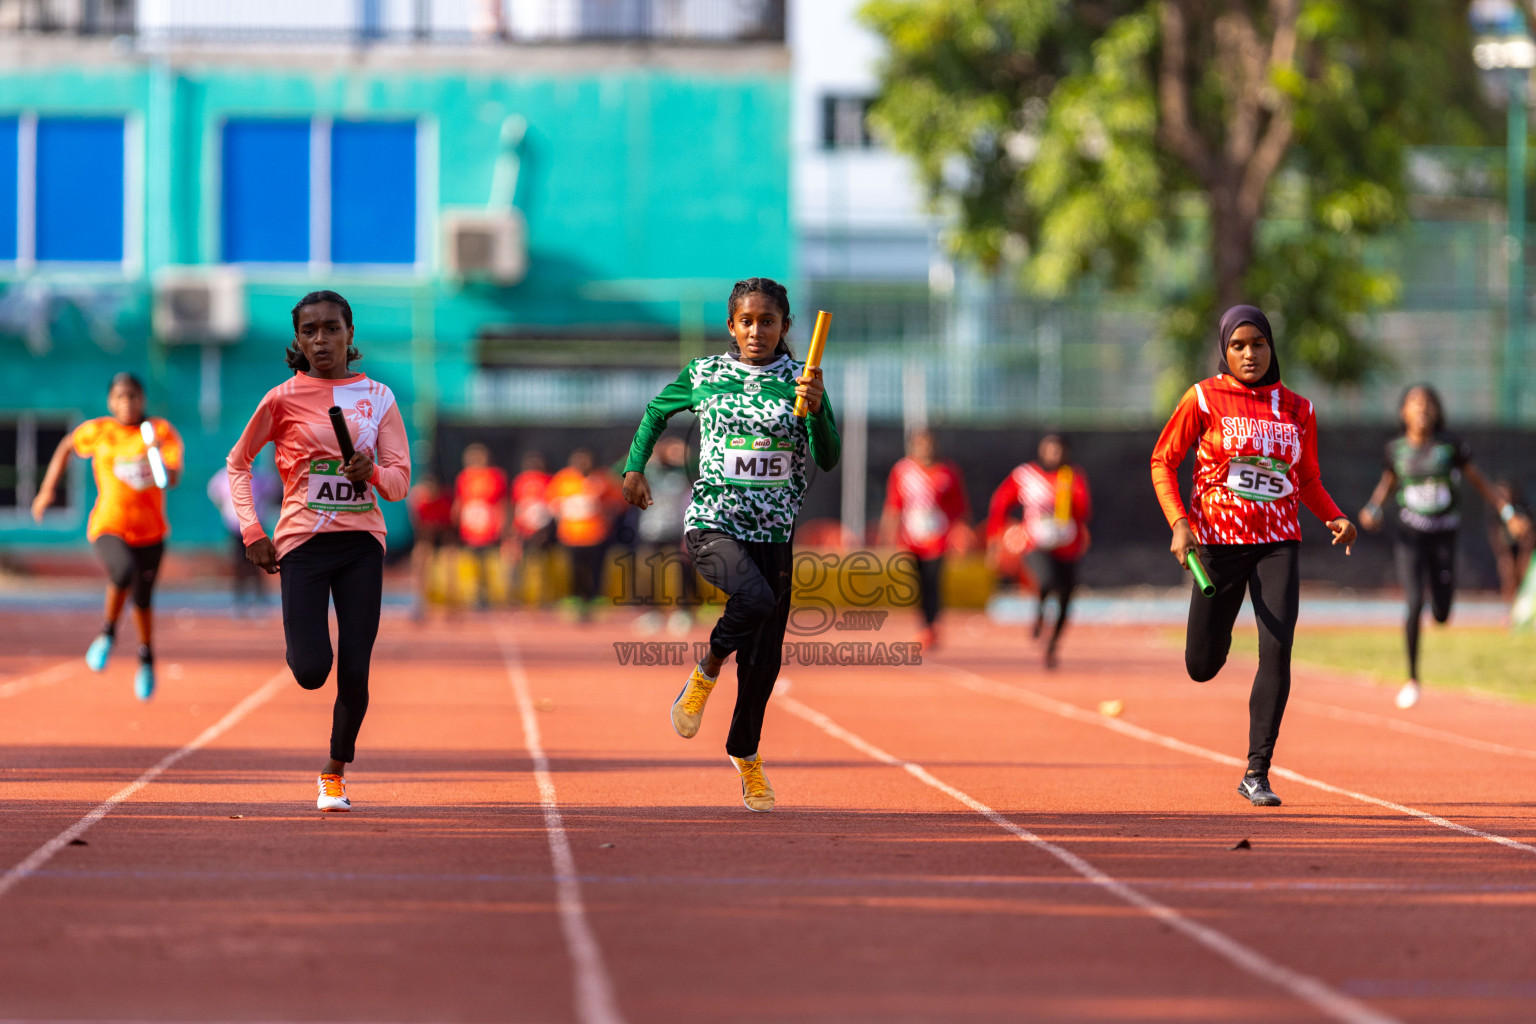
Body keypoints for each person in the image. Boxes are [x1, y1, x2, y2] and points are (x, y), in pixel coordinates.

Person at [622, 277, 839, 812]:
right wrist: (634, 468)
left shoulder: (802, 379)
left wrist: (816, 412)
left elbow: (829, 457)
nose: (756, 330)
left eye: (768, 321)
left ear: (786, 327)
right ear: (731, 326)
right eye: (747, 321)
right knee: (756, 600)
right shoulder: (705, 375)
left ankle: (746, 756)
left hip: (774, 534)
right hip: (714, 522)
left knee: (764, 663)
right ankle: (705, 672)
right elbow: (654, 412)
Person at [1151, 304, 1357, 808]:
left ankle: (1256, 770)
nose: (1249, 354)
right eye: (1238, 346)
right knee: (1202, 664)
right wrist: (1181, 523)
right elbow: (1163, 460)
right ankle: (1212, 648)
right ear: (1224, 349)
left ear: (1272, 347)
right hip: (1218, 543)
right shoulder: (1203, 398)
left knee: (1277, 648)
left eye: (1258, 344)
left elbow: (1305, 477)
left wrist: (1333, 515)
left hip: (1278, 542)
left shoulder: (1298, 408)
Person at [227, 290, 411, 813]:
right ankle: (312, 673)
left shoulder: (378, 397)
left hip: (361, 544)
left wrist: (369, 472)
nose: (321, 340)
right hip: (301, 543)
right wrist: (252, 533)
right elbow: (237, 464)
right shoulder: (281, 398)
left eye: (331, 329)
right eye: (310, 331)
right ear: (297, 339)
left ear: (350, 335)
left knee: (356, 666)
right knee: (311, 670)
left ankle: (334, 771)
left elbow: (399, 483)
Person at [1358, 385, 1531, 709]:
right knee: (1412, 603)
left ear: (1436, 411)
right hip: (1410, 536)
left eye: (1428, 403)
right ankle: (1412, 679)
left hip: (1443, 536)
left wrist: (1508, 513)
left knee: (1440, 612)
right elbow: (1388, 482)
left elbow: (1481, 482)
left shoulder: (1450, 447)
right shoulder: (1395, 449)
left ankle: (1439, 610)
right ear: (1403, 413)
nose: (1422, 408)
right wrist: (1373, 507)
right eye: (1415, 403)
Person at [31, 372, 183, 700]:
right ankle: (107, 634)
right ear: (110, 401)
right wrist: (46, 490)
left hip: (151, 531)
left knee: (143, 600)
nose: (127, 403)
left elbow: (171, 478)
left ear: (143, 399)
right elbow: (66, 446)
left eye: (133, 396)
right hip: (108, 525)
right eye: (120, 397)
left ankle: (145, 658)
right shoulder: (100, 431)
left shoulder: (159, 431)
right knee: (122, 572)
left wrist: (155, 457)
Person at [986, 432, 1091, 668]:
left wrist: (1067, 498)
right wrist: (995, 536)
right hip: (1036, 543)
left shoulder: (1072, 477)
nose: (1054, 454)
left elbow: (1084, 510)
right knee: (1045, 582)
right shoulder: (1025, 475)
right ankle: (1040, 613)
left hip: (1067, 545)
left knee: (1066, 597)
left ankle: (1052, 644)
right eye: (1049, 449)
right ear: (1041, 450)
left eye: (1058, 449)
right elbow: (1001, 501)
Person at [878, 429, 968, 650]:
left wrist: (962, 533)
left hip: (938, 537)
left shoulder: (948, 472)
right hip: (912, 537)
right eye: (920, 445)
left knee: (933, 581)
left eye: (928, 444)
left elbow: (959, 506)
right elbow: (894, 504)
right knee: (919, 583)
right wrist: (887, 533)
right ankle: (925, 625)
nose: (925, 449)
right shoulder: (903, 471)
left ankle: (933, 627)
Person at [547, 448, 623, 621]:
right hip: (571, 534)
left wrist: (605, 509)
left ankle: (595, 598)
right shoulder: (564, 479)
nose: (582, 465)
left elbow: (617, 501)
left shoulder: (602, 478)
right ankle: (575, 598)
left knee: (595, 568)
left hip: (596, 534)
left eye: (585, 461)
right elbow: (552, 502)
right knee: (574, 568)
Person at [635, 434, 699, 634]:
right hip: (651, 529)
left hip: (677, 529)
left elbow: (701, 465)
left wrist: (685, 455)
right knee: (649, 571)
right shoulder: (649, 473)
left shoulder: (683, 474)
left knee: (682, 571)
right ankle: (652, 612)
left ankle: (684, 611)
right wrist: (653, 452)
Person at [209, 455, 281, 613]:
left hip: (256, 527)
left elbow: (275, 492)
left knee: (259, 562)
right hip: (235, 528)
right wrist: (227, 512)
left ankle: (260, 598)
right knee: (239, 563)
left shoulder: (261, 477)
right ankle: (240, 598)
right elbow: (216, 495)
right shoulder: (223, 477)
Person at [453, 443, 509, 608]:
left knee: (489, 563)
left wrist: (502, 524)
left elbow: (502, 503)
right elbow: (460, 501)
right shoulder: (464, 477)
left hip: (489, 527)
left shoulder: (496, 476)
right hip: (470, 527)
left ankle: (490, 595)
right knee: (472, 563)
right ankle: (475, 595)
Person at [406, 474, 454, 619]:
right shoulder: (421, 505)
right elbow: (421, 531)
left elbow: (449, 531)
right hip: (427, 538)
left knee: (449, 560)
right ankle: (419, 603)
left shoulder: (444, 502)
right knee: (419, 557)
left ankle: (450, 604)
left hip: (443, 538)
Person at [510, 452, 554, 604]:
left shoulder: (548, 480)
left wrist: (546, 529)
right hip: (524, 528)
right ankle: (520, 595)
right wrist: (516, 529)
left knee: (539, 562)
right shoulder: (520, 481)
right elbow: (518, 506)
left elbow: (550, 506)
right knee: (520, 562)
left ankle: (541, 596)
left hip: (542, 529)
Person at [1487, 478, 1534, 602]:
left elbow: (1529, 531)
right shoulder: (1498, 511)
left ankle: (1524, 604)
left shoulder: (1521, 508)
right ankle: (1510, 606)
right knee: (1508, 572)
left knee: (1524, 573)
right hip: (1506, 548)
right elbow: (1495, 534)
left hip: (1523, 548)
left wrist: (1525, 551)